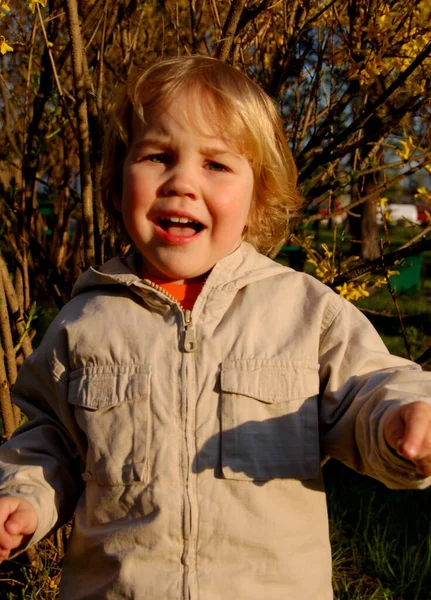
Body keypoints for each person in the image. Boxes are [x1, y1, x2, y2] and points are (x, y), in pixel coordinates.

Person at [0, 55, 430, 600]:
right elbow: (49, 440)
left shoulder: (301, 311)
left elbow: (366, 389)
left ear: (259, 197)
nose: (181, 181)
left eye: (217, 165)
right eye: (158, 156)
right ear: (115, 183)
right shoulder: (87, 322)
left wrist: (404, 418)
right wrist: (21, 496)